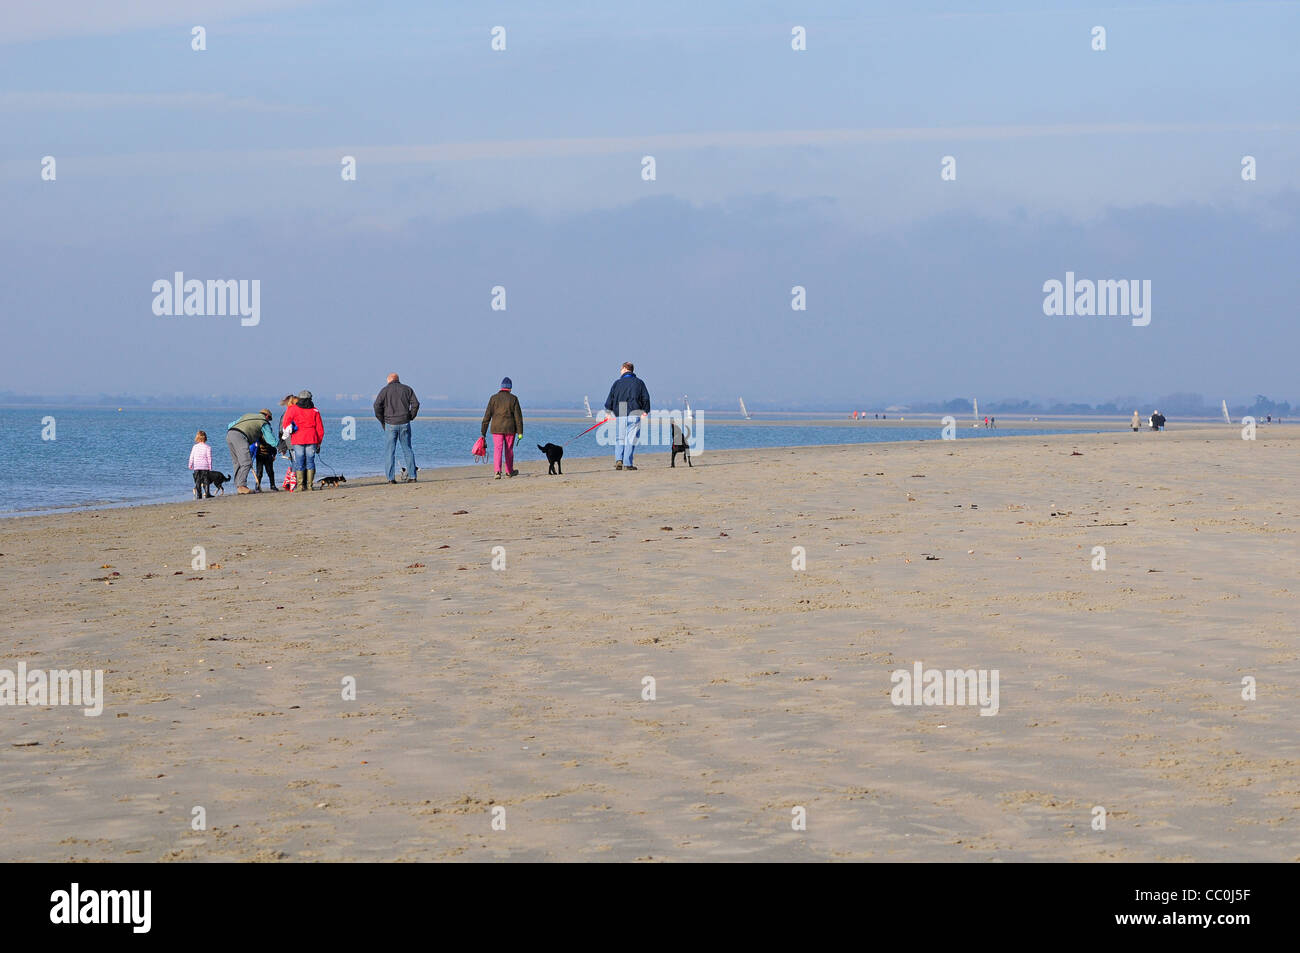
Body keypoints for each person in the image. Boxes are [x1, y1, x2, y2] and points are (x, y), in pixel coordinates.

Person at [602, 361, 651, 470]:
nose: (620, 371)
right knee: (630, 439)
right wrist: (645, 411)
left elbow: (611, 398)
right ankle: (627, 463)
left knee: (620, 438)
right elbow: (646, 398)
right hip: (634, 413)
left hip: (621, 413)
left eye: (621, 369)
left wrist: (608, 412)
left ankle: (619, 459)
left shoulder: (617, 383)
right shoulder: (639, 383)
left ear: (624, 369)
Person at [373, 372, 420, 483]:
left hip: (390, 424)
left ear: (389, 380)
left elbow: (376, 406)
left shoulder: (384, 390)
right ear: (398, 379)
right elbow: (416, 404)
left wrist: (382, 420)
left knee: (390, 452)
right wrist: (410, 416)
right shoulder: (407, 389)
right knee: (407, 450)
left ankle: (391, 479)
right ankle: (413, 476)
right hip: (404, 422)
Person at [480, 377, 524, 479]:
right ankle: (509, 471)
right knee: (509, 450)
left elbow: (487, 416)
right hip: (510, 429)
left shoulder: (493, 398)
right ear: (510, 388)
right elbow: (518, 417)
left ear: (501, 387)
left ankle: (497, 472)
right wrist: (520, 432)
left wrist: (483, 431)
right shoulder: (514, 399)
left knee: (498, 449)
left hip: (496, 428)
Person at [283, 389, 325, 491]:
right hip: (312, 438)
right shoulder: (315, 410)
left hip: (298, 438)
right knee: (310, 462)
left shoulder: (293, 409)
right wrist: (319, 442)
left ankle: (300, 485)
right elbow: (320, 429)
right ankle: (310, 486)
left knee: (299, 462)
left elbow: (285, 423)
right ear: (310, 399)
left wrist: (289, 432)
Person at [226, 408, 276, 494]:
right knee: (247, 462)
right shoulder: (263, 422)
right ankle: (242, 486)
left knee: (237, 463)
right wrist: (280, 446)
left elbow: (230, 425)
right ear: (267, 416)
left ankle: (238, 486)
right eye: (269, 419)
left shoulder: (247, 415)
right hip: (241, 436)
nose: (269, 421)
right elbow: (270, 440)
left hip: (230, 434)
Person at [188, 430, 213, 500]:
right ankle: (207, 493)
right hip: (205, 467)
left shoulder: (195, 447)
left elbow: (191, 456)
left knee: (197, 481)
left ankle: (199, 495)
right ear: (205, 438)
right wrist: (210, 466)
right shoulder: (208, 447)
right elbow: (209, 458)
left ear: (197, 438)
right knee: (206, 481)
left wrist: (190, 464)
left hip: (197, 467)